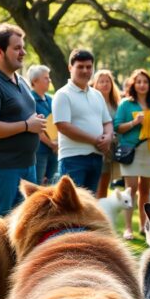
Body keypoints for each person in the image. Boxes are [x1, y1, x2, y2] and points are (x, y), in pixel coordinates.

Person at [0, 23, 46, 219]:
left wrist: (33, 121)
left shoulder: (19, 80)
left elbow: (21, 113)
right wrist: (26, 126)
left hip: (26, 164)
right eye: (17, 48)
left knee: (23, 223)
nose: (23, 52)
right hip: (1, 166)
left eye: (23, 47)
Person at [52, 49, 113, 193]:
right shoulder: (63, 95)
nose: (85, 70)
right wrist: (96, 141)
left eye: (88, 67)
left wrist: (109, 137)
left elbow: (107, 122)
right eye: (80, 66)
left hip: (96, 158)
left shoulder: (97, 95)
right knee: (71, 209)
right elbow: (63, 127)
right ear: (70, 68)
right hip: (73, 159)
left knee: (89, 207)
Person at [114, 69, 150, 240]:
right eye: (139, 82)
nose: (142, 85)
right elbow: (118, 127)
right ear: (134, 84)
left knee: (145, 191)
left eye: (145, 82)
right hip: (131, 151)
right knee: (130, 190)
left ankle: (143, 226)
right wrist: (134, 122)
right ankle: (128, 228)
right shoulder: (126, 104)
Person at [91, 69, 122, 198]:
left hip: (113, 149)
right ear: (95, 84)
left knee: (105, 183)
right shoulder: (92, 102)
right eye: (101, 81)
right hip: (97, 146)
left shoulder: (117, 104)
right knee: (94, 185)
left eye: (107, 81)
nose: (105, 84)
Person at [28, 65, 58, 185]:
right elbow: (35, 128)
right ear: (35, 81)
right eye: (46, 78)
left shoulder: (51, 100)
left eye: (49, 77)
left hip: (54, 150)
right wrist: (51, 144)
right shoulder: (30, 100)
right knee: (37, 186)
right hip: (39, 151)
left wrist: (57, 144)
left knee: (52, 186)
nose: (49, 80)